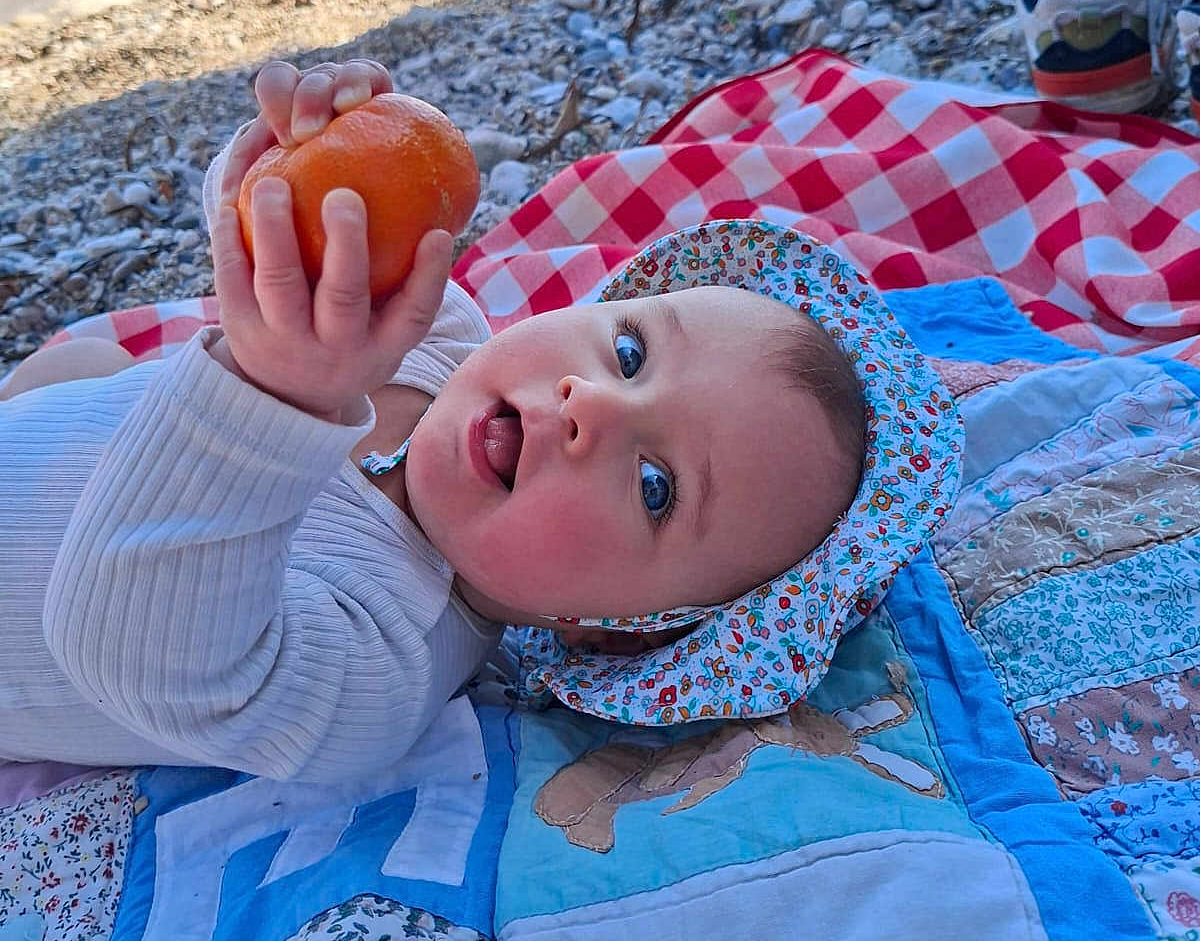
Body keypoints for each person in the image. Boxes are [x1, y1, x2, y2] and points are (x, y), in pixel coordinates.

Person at [0, 60, 961, 781]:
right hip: (45, 439)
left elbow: (129, 646)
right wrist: (298, 164)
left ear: (615, 634)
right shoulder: (440, 333)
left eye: (656, 487)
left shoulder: (374, 670)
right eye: (629, 352)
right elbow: (275, 266)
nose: (594, 407)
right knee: (78, 365)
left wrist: (275, 396)